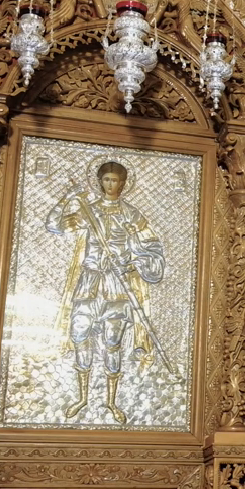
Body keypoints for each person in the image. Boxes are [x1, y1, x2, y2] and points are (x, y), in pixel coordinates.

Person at [47, 161, 165, 424]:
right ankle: (82, 398)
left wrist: (133, 262)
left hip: (116, 286)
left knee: (112, 343)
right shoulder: (89, 211)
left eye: (116, 180)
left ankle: (112, 402)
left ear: (123, 183)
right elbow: (54, 225)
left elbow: (153, 247)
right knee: (80, 335)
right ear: (100, 182)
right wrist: (67, 198)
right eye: (107, 180)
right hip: (89, 283)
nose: (111, 184)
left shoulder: (131, 214)